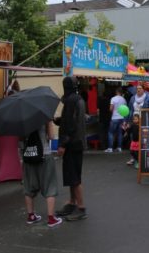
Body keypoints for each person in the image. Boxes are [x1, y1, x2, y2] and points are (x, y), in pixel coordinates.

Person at [54, 76, 87, 221]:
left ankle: (80, 207)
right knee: (73, 175)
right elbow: (71, 120)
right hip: (78, 142)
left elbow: (69, 125)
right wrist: (57, 121)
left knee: (73, 176)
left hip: (72, 143)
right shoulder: (78, 99)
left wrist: (62, 144)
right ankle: (72, 202)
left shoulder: (70, 101)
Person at [22, 121, 62, 228]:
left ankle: (31, 216)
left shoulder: (22, 118)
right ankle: (51, 218)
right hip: (44, 155)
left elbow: (20, 139)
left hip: (28, 155)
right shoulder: (43, 115)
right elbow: (52, 136)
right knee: (49, 186)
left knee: (29, 186)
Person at [105, 87, 127, 153]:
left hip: (114, 117)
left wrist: (112, 111)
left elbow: (111, 109)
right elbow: (125, 109)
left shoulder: (113, 98)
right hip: (122, 118)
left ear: (116, 92)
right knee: (120, 133)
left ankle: (110, 148)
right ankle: (119, 147)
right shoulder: (124, 99)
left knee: (110, 133)